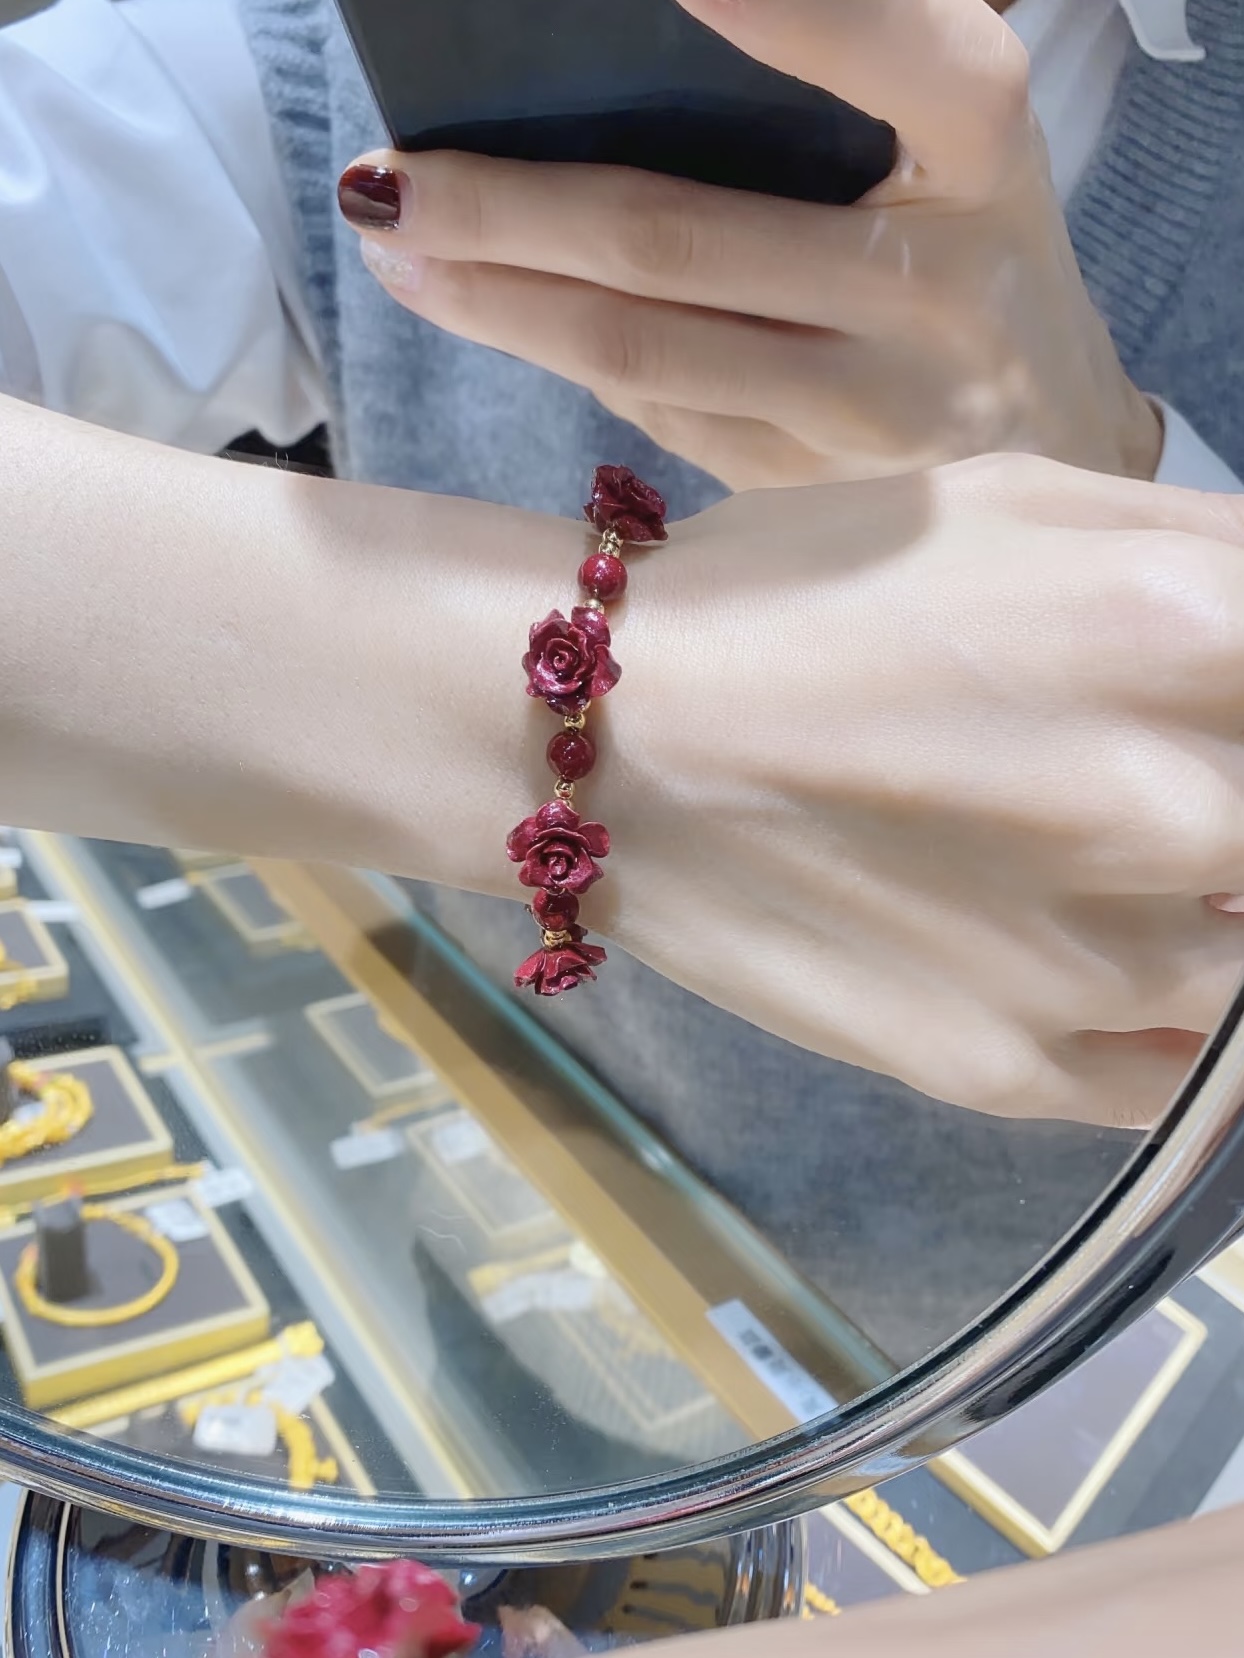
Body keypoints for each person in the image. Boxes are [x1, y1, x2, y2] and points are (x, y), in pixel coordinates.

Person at [3, 0, 1244, 1354]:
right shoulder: (308, 57)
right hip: (512, 1239)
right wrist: (614, 723)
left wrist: (1129, 488)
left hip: (1093, 1385)